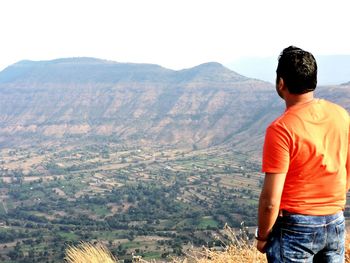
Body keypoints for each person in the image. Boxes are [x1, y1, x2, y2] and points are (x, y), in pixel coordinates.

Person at [256, 46, 350, 262]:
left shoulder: (281, 129)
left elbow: (270, 200)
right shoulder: (340, 115)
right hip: (335, 221)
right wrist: (332, 201)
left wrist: (262, 236)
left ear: (281, 83)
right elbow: (347, 167)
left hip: (296, 229)